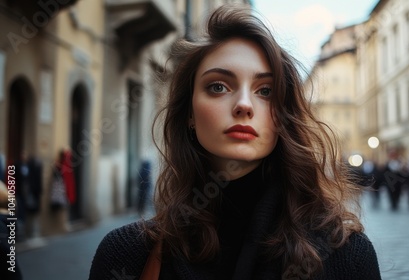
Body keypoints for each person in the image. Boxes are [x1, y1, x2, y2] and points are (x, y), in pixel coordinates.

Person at [89, 5, 380, 279]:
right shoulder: (127, 255)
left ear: (284, 116)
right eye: (218, 87)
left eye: (265, 91)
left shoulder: (347, 255)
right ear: (189, 113)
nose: (244, 105)